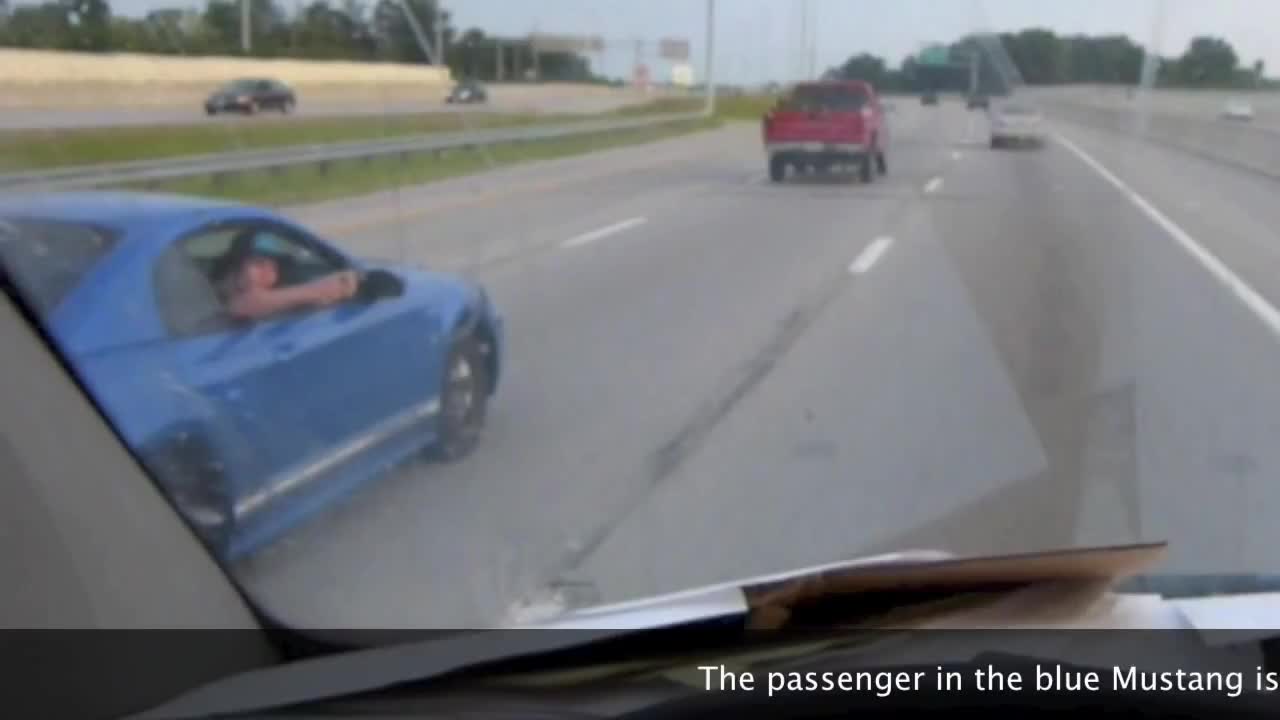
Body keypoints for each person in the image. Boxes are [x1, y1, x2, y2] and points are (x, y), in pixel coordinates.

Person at [222, 248, 358, 321]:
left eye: (273, 266)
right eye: (258, 263)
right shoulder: (231, 300)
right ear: (235, 274)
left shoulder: (277, 294)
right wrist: (318, 290)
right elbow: (247, 304)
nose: (268, 268)